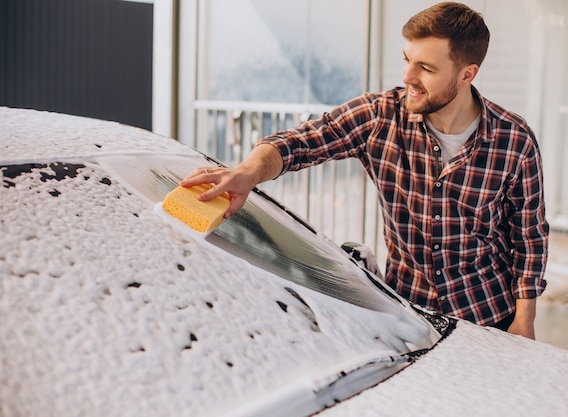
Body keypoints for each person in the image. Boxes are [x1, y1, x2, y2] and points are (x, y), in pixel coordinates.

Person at [180, 2, 549, 339]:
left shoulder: (514, 141)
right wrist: (247, 172)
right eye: (407, 60)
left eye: (426, 68)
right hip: (410, 317)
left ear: (467, 74)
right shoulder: (379, 116)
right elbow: (299, 142)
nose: (408, 76)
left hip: (489, 319)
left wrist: (524, 321)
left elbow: (529, 239)